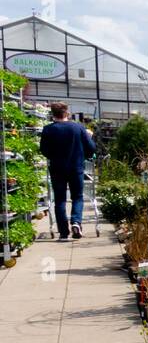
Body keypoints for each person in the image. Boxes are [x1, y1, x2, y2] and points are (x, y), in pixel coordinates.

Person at [39, 102, 96, 240]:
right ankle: (76, 222)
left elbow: (44, 150)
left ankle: (63, 232)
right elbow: (91, 148)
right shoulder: (78, 128)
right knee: (77, 197)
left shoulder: (48, 129)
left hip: (57, 169)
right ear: (67, 113)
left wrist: (54, 156)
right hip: (76, 167)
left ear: (53, 114)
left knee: (60, 200)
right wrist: (87, 148)